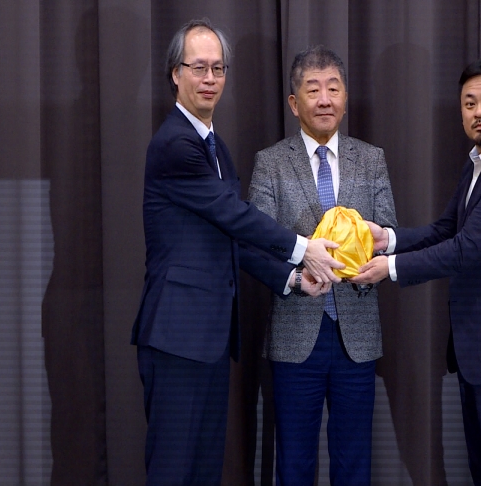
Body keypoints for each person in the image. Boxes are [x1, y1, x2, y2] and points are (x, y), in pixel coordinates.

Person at [130, 20, 344, 485]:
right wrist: (304, 249)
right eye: (199, 68)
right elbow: (236, 216)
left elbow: (229, 237)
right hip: (176, 335)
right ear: (175, 74)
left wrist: (290, 278)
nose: (210, 78)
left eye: (218, 68)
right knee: (173, 470)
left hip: (208, 337)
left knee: (205, 469)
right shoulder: (175, 144)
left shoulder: (216, 147)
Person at [352, 57, 481, 485]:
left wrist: (389, 268)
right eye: (469, 103)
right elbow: (447, 229)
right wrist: (388, 239)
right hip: (480, 354)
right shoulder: (480, 160)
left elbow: (467, 248)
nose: (478, 112)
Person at [248, 45, 397, 485]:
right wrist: (296, 277)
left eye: (333, 88)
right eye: (313, 90)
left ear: (346, 97)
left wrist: (371, 261)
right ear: (295, 103)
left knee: (354, 464)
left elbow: (388, 231)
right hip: (296, 334)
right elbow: (255, 244)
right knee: (294, 464)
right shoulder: (270, 163)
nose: (325, 99)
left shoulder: (371, 158)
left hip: (357, 333)